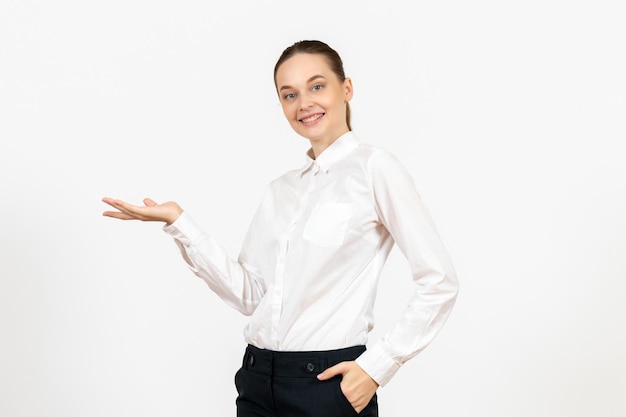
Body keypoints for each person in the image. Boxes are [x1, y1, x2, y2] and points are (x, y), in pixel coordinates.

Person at [102, 39, 458, 417]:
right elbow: (251, 297)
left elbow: (439, 280)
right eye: (289, 94)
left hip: (327, 387)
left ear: (347, 88)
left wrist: (378, 366)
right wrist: (179, 223)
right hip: (256, 381)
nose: (304, 103)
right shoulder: (281, 190)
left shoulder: (375, 169)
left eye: (317, 86)